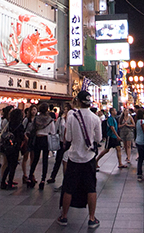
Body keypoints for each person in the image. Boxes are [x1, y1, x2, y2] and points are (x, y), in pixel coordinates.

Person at [57, 90, 102, 229]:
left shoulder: (71, 117)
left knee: (68, 187)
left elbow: (68, 138)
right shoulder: (95, 118)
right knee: (91, 188)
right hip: (89, 158)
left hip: (74, 157)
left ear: (78, 101)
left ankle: (64, 217)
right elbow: (98, 139)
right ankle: (92, 218)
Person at [28, 102, 55, 189]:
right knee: (45, 160)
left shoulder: (36, 119)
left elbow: (31, 129)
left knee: (35, 159)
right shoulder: (50, 119)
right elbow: (53, 131)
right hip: (46, 139)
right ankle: (43, 180)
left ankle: (30, 177)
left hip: (37, 139)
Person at [0, 108, 26, 190]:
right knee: (13, 165)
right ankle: (10, 182)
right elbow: (21, 137)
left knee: (8, 164)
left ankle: (3, 182)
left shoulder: (9, 124)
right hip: (15, 146)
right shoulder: (20, 125)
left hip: (8, 146)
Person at [48, 103, 73, 183]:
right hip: (62, 141)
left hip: (70, 142)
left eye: (67, 109)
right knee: (58, 159)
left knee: (69, 160)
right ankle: (53, 176)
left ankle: (68, 179)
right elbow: (55, 130)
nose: (66, 110)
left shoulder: (72, 119)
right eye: (65, 109)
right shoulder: (60, 119)